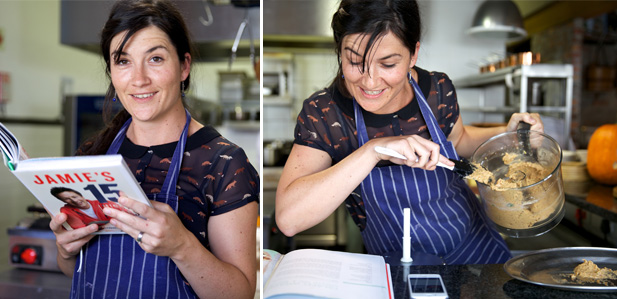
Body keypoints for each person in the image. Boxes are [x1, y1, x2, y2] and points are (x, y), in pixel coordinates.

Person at [275, 0, 544, 265]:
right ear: (340, 52)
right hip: (401, 267)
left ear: (413, 54)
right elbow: (289, 219)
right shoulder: (325, 113)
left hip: (476, 253)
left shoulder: (437, 89)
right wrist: (373, 151)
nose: (369, 81)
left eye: (388, 64)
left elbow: (458, 140)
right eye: (355, 62)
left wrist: (507, 136)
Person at [49, 0, 259, 298]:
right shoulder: (93, 154)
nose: (139, 79)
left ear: (184, 66)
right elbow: (84, 272)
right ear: (110, 70)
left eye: (155, 59)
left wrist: (182, 247)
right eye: (123, 61)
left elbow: (240, 293)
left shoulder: (223, 163)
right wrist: (66, 252)